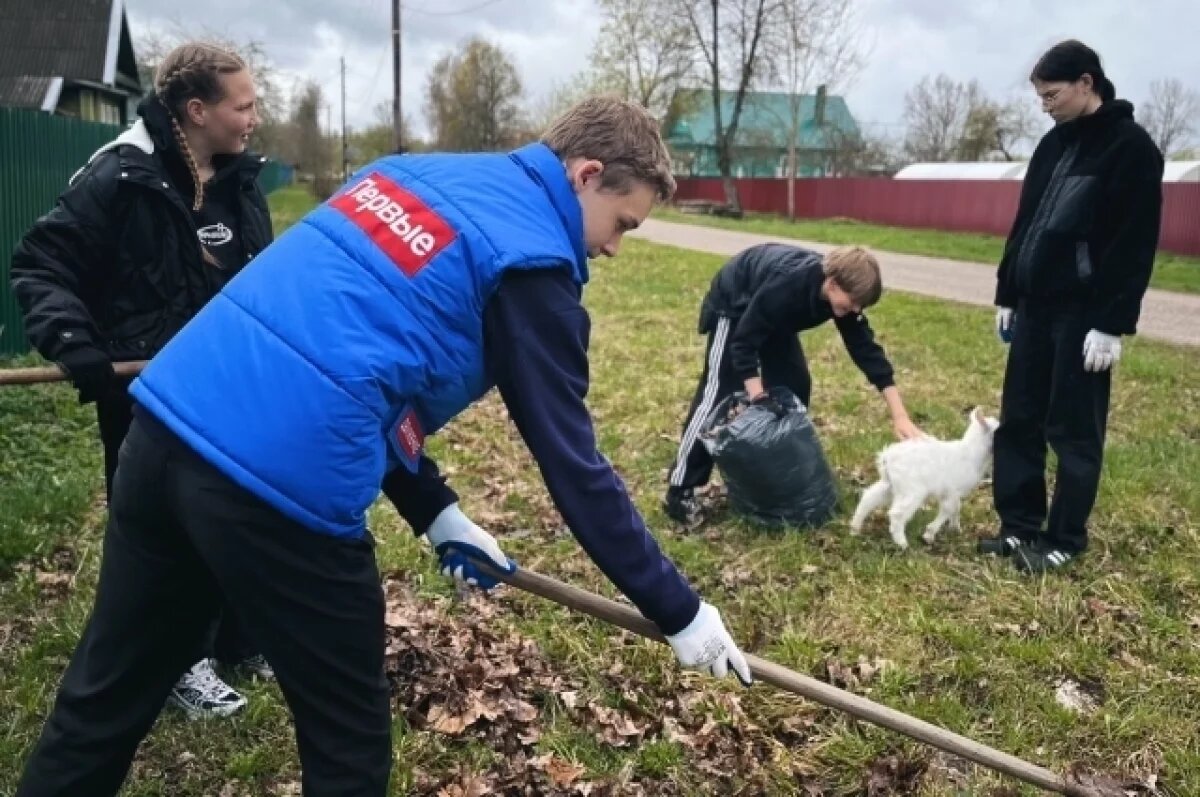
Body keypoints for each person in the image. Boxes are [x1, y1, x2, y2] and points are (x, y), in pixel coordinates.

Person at [14, 96, 752, 797]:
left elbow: (348, 365)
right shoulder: (532, 267)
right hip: (276, 492)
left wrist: (435, 510)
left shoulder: (408, 174)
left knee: (103, 697)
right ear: (585, 174)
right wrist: (678, 608)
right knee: (349, 739)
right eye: (621, 222)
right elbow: (575, 466)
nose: (615, 248)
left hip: (165, 430)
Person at [10, 42, 275, 718]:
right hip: (148, 400)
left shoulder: (240, 182)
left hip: (229, 387)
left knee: (241, 515)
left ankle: (241, 637)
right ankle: (179, 662)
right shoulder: (120, 177)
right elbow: (41, 263)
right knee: (168, 536)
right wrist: (75, 340)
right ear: (196, 110)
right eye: (242, 106)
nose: (254, 118)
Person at [982, 40, 1163, 573]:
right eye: (1039, 96)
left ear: (1087, 83)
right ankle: (1019, 528)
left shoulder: (1130, 149)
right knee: (1020, 420)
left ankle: (1063, 539)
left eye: (1052, 94)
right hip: (1035, 308)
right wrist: (1007, 292)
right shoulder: (1051, 145)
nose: (1045, 104)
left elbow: (1135, 243)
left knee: (1073, 429)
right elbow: (1025, 225)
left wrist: (1112, 323)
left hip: (1085, 317)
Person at [664, 243, 923, 524]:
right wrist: (757, 395)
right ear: (833, 284)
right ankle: (681, 491)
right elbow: (744, 342)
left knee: (794, 386)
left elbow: (866, 351)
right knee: (718, 393)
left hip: (775, 317)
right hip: (737, 304)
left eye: (861, 305)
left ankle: (776, 478)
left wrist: (900, 416)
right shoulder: (787, 286)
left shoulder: (843, 301)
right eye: (853, 302)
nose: (856, 309)